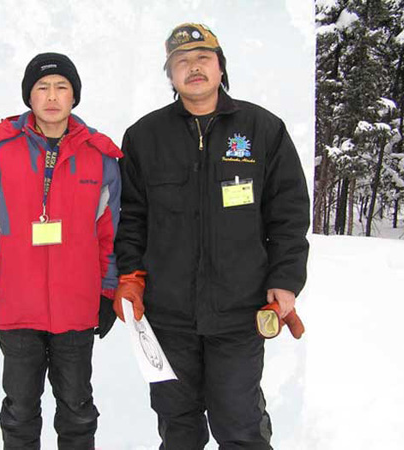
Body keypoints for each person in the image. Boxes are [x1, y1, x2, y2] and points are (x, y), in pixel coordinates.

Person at [113, 23, 310, 449]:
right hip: (167, 318)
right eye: (181, 62)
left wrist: (286, 279)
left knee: (240, 426)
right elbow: (130, 219)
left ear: (221, 68)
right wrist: (129, 277)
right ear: (170, 75)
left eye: (203, 59)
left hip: (240, 314)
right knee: (178, 428)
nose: (193, 68)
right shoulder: (144, 137)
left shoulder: (263, 130)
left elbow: (288, 214)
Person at [0, 52, 121, 449]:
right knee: (19, 413)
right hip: (16, 310)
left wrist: (107, 291)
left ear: (74, 96)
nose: (52, 96)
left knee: (78, 412)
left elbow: (111, 235)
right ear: (29, 96)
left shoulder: (100, 158)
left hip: (77, 310)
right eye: (42, 88)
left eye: (61, 87)